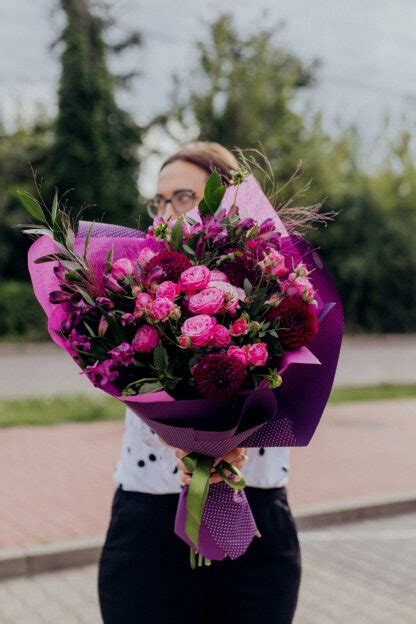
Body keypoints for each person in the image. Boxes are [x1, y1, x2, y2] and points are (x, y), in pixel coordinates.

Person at [97, 142, 302, 623]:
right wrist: (192, 444)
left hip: (254, 513)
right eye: (160, 200)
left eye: (185, 196)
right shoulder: (136, 290)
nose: (168, 213)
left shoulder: (275, 288)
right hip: (149, 518)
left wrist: (233, 443)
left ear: (227, 204)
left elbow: (293, 394)